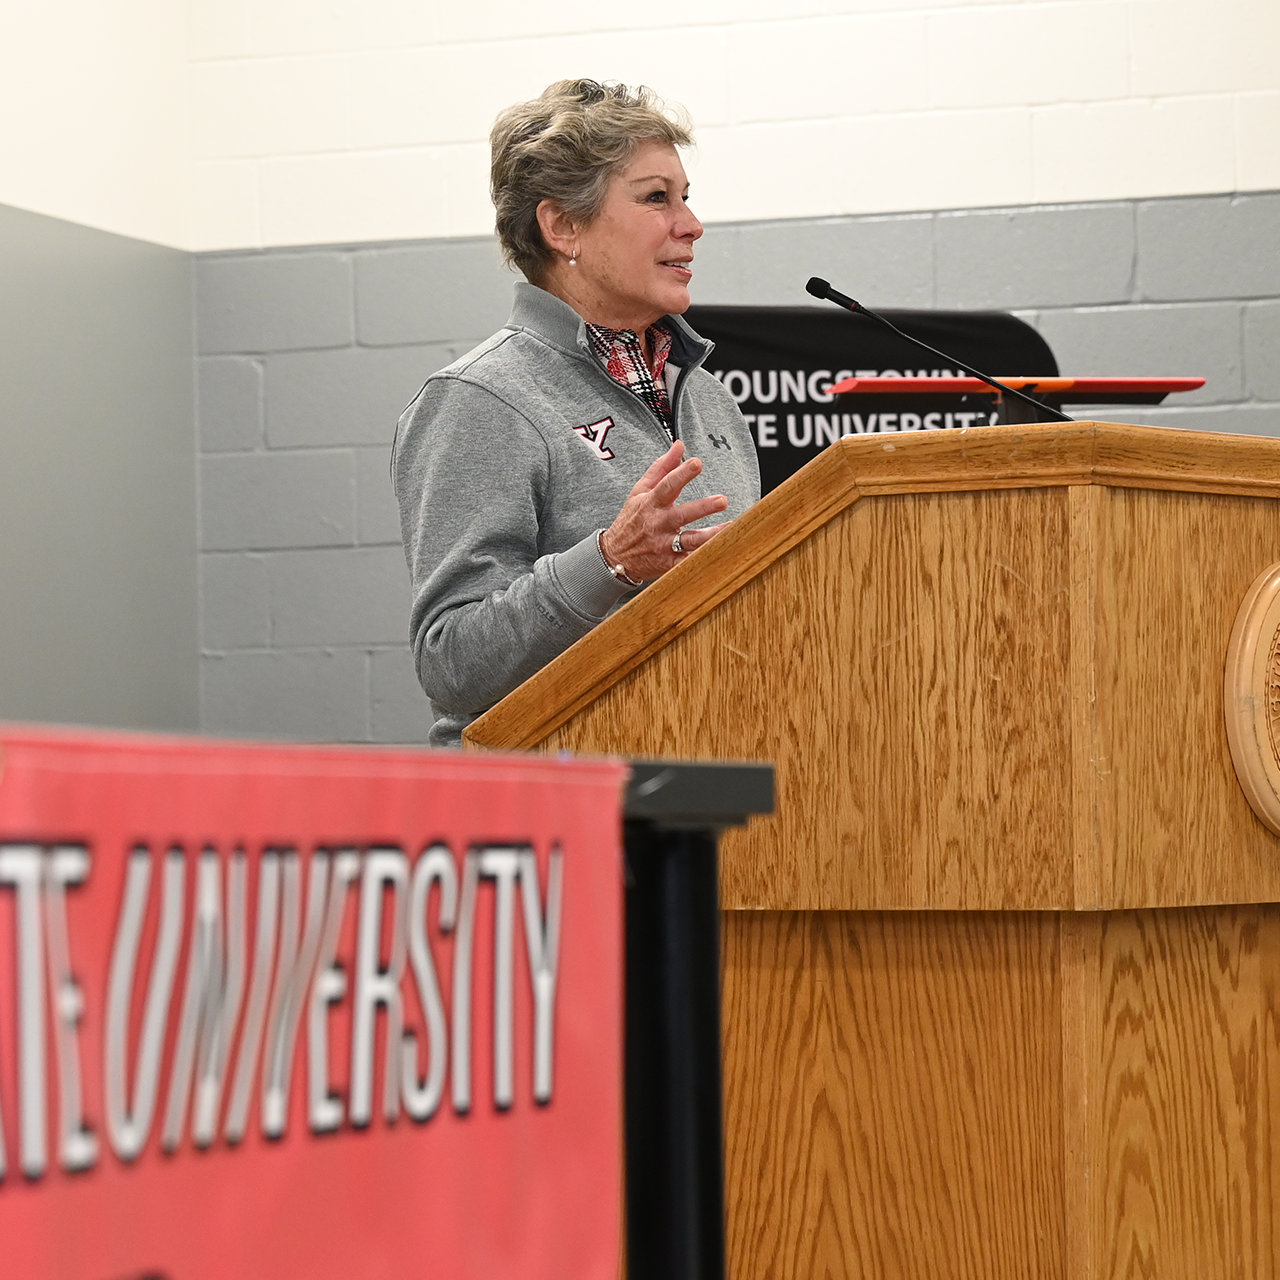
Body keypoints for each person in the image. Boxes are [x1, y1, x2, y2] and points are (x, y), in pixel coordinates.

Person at [393, 79, 760, 747]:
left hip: (710, 802)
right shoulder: (479, 399)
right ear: (562, 226)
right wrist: (611, 561)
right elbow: (451, 665)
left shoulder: (707, 395)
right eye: (656, 198)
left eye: (686, 198)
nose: (691, 224)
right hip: (557, 820)